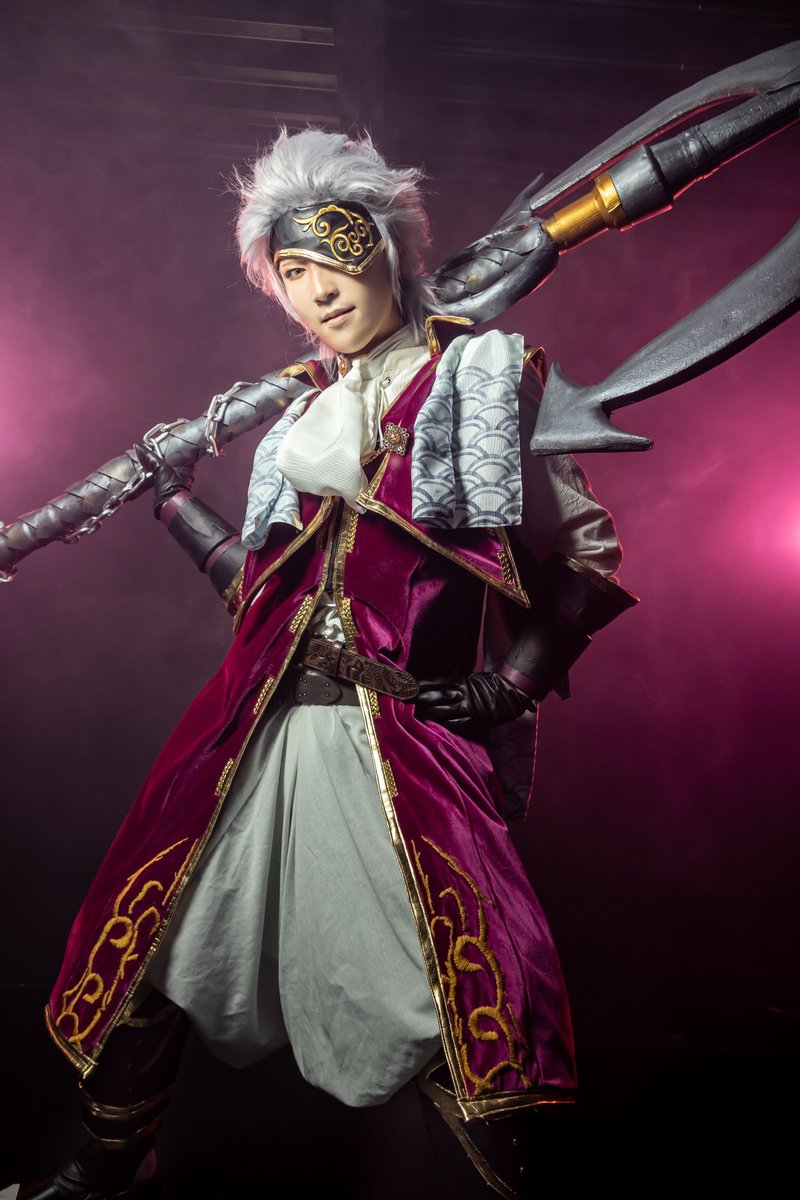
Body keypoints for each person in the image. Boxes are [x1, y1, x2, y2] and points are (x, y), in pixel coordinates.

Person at [23, 129, 636, 1200]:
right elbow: (264, 594)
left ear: (386, 249)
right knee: (158, 938)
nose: (315, 292)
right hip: (257, 735)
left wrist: (508, 685)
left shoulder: (480, 378)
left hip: (395, 740)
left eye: (333, 259)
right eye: (292, 273)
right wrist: (174, 505)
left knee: (457, 990)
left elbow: (584, 557)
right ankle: (105, 1166)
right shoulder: (298, 415)